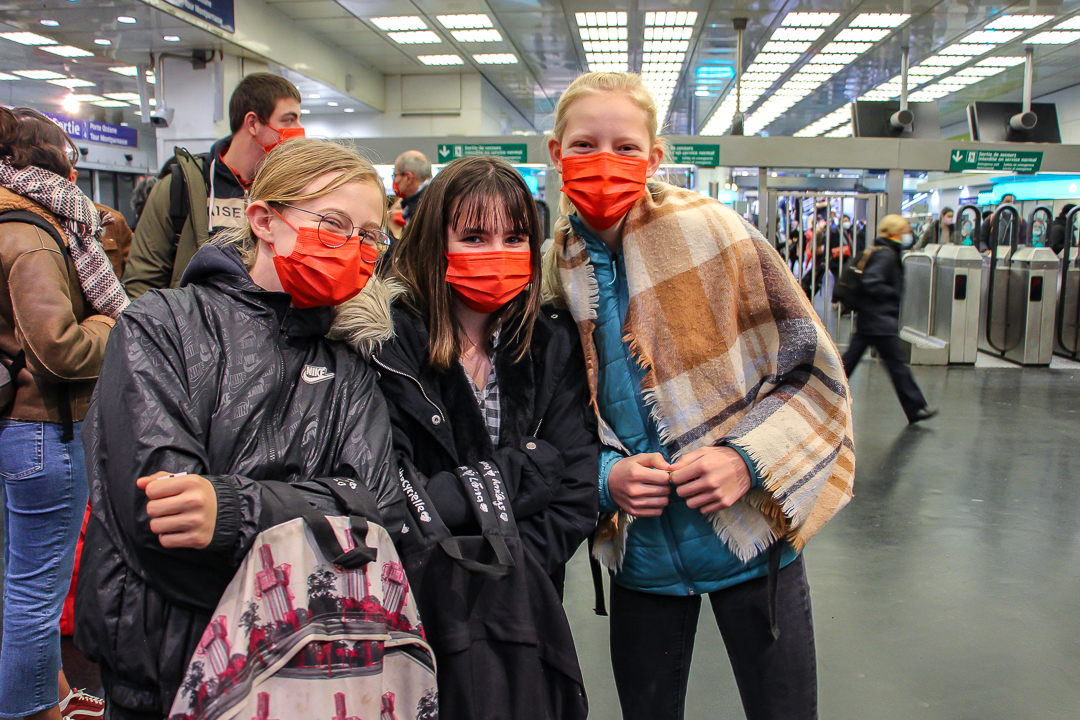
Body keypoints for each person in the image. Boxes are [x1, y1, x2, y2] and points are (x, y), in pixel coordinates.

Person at [544, 72, 855, 720]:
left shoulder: (717, 233)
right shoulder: (553, 268)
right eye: (585, 145)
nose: (606, 162)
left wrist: (745, 458)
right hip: (644, 557)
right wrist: (607, 478)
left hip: (753, 544)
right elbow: (550, 415)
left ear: (655, 157)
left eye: (626, 147)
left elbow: (811, 367)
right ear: (555, 153)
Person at [74, 139, 409, 718]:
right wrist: (316, 506)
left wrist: (231, 506)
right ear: (263, 220)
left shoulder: (348, 359)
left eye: (370, 235)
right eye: (333, 223)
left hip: (303, 656)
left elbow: (378, 507)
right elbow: (162, 508)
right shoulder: (162, 326)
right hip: (163, 656)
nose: (353, 246)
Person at [376, 155, 598, 718]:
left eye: (515, 236)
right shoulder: (388, 347)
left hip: (527, 608)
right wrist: (527, 473)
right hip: (416, 611)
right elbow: (395, 495)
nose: (496, 251)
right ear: (435, 243)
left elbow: (573, 494)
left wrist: (497, 554)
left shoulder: (553, 345)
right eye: (473, 236)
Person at [0, 107, 127, 720]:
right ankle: (33, 713)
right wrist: (108, 325)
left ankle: (39, 693)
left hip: (9, 422)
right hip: (41, 428)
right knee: (35, 594)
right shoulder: (35, 234)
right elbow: (59, 347)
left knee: (13, 585)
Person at [122, 72, 304, 298]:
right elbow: (141, 283)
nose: (299, 130)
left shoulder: (293, 192)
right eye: (288, 120)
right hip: (191, 324)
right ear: (253, 123)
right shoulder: (179, 188)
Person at [842, 214, 938, 424]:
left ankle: (914, 408)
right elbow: (871, 281)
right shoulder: (886, 255)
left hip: (872, 318)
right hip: (879, 319)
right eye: (905, 230)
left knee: (851, 362)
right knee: (896, 364)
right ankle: (914, 407)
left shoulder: (881, 250)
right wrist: (892, 294)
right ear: (895, 232)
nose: (908, 234)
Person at [390, 150, 431, 228]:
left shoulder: (418, 209)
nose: (395, 180)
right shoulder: (434, 196)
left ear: (408, 177)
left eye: (395, 175)